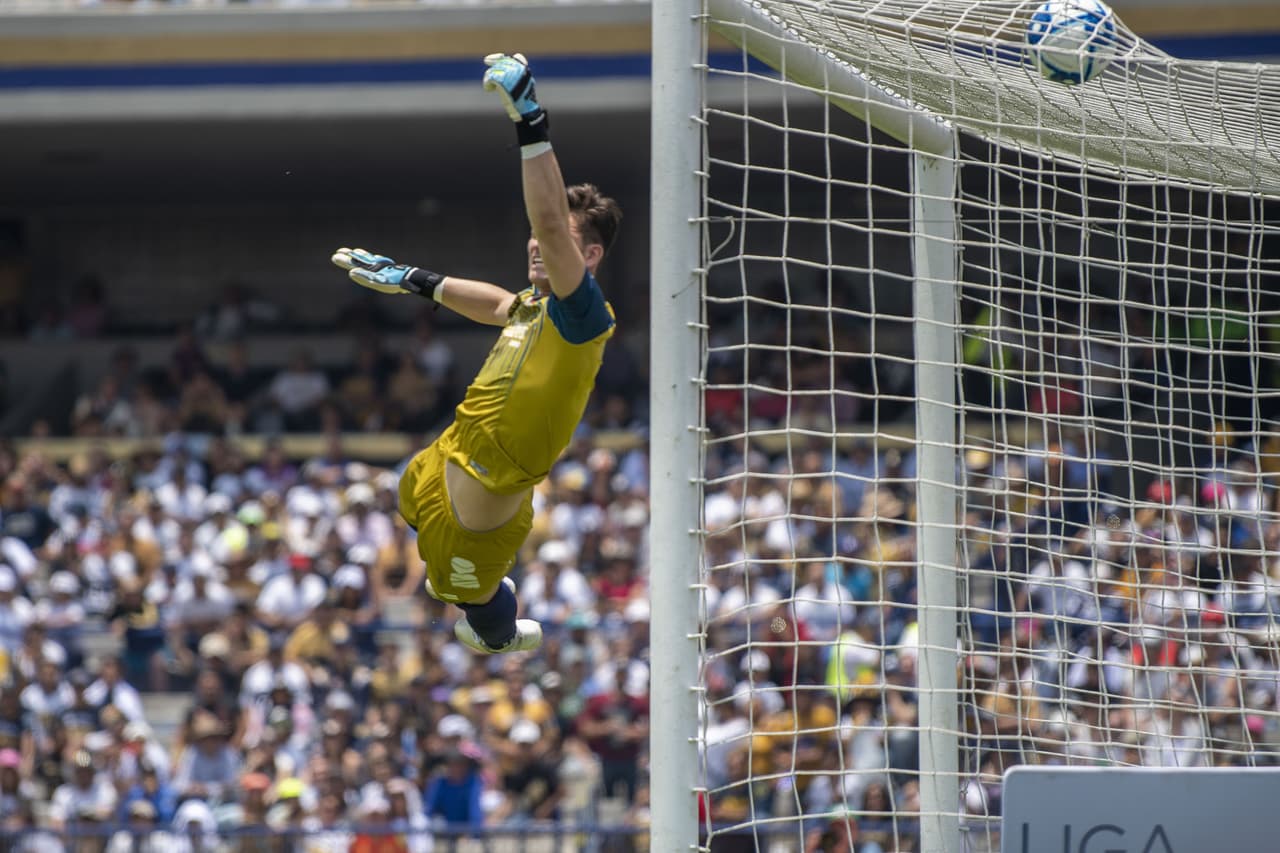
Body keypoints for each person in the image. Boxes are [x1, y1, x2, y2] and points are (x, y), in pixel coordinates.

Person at [331, 52, 622, 655]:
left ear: (588, 257)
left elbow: (544, 217)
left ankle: (503, 633)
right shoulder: (532, 306)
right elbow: (496, 303)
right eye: (539, 241)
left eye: (558, 241)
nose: (539, 246)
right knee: (406, 501)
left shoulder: (583, 314)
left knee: (462, 595)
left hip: (485, 498)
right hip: (446, 454)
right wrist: (413, 278)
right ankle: (485, 603)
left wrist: (530, 122)